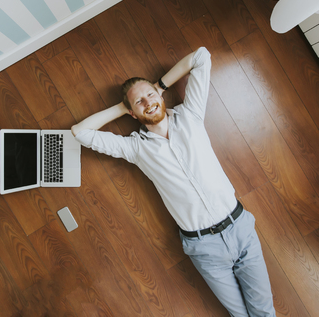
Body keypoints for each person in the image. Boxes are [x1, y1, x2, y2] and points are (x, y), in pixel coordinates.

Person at [71, 47, 275, 316]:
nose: (148, 102)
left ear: (160, 95)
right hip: (204, 247)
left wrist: (161, 84)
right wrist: (122, 106)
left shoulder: (190, 115)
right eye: (139, 103)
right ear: (132, 114)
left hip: (240, 228)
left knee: (264, 312)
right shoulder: (136, 149)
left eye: (150, 96)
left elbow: (201, 56)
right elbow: (80, 132)